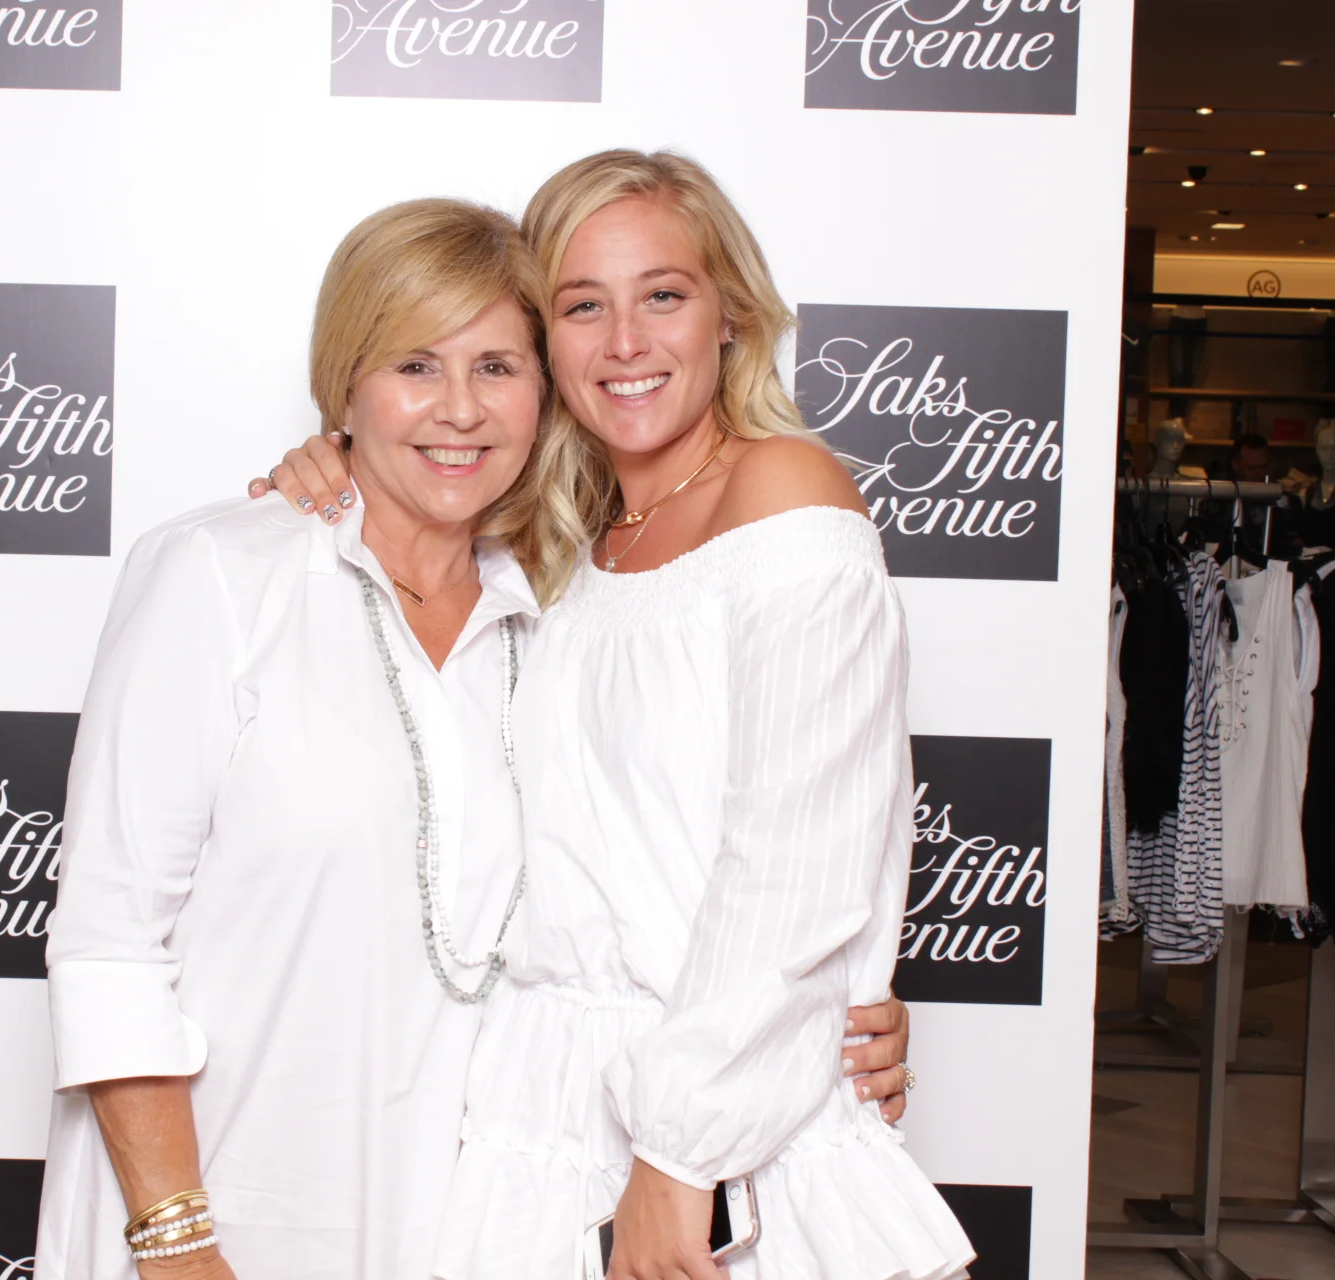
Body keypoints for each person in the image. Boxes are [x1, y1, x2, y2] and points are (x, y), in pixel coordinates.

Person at [42, 195, 913, 1280]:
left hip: (458, 1213)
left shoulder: (546, 610)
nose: (458, 408)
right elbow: (109, 943)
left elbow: (680, 854)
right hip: (220, 1201)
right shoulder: (219, 575)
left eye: (496, 367)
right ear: (344, 384)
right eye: (414, 365)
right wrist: (177, 1243)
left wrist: (823, 1005)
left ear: (541, 392)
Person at [258, 150, 971, 1280]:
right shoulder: (562, 545)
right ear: (545, 343)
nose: (626, 341)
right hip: (536, 1111)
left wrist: (681, 1157)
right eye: (583, 306)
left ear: (730, 315)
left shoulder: (786, 493)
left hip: (712, 1140)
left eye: (664, 296)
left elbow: (795, 864)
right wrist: (344, 456)